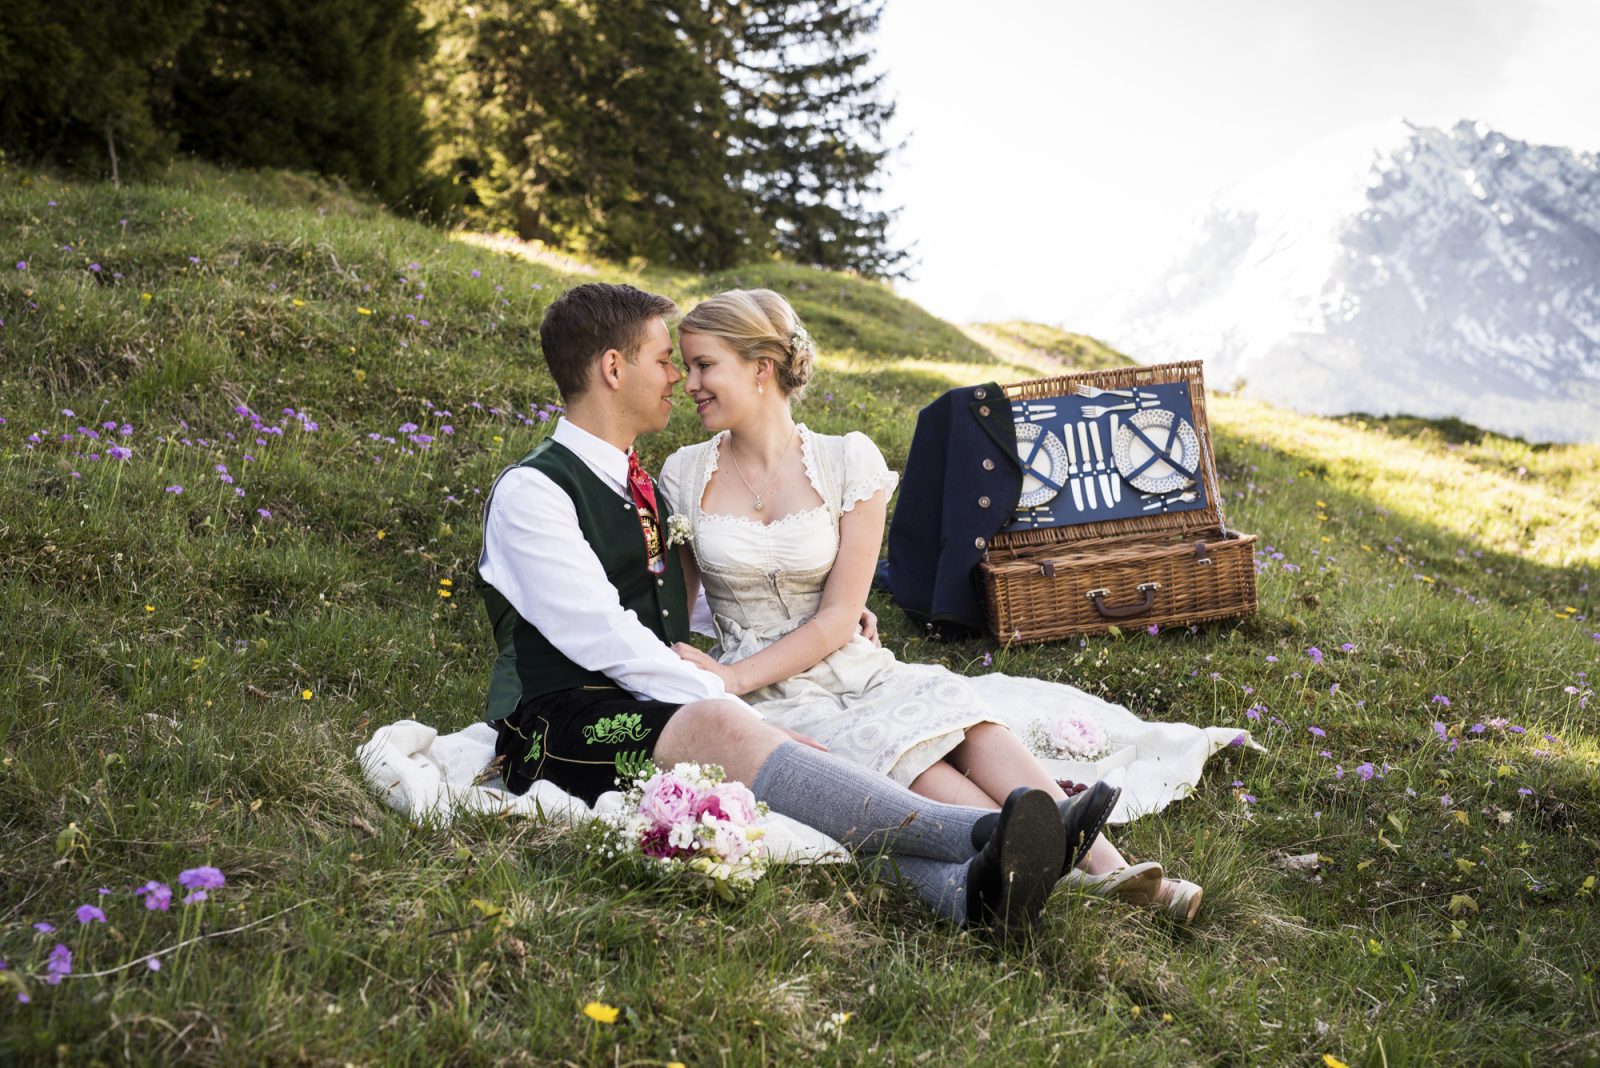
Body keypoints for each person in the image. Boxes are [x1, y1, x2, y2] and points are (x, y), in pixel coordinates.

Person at [474, 281, 1121, 937]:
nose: (678, 376)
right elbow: (602, 635)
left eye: (691, 362)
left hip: (655, 695)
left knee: (806, 791)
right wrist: (727, 698)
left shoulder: (636, 481)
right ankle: (985, 831)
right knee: (744, 740)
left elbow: (677, 605)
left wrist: (831, 617)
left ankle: (970, 892)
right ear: (614, 368)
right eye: (665, 358)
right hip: (567, 717)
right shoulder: (536, 491)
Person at [659, 288, 1202, 921]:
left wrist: (749, 669)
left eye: (703, 365)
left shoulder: (845, 461)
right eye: (686, 365)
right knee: (904, 756)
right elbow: (681, 606)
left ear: (762, 367)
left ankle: (1114, 868)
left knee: (955, 715)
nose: (688, 382)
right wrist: (724, 680)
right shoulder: (684, 473)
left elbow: (839, 614)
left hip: (844, 654)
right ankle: (1043, 860)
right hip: (763, 686)